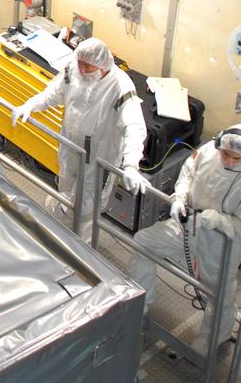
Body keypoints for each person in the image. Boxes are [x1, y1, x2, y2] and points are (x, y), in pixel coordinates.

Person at [128, 126, 241, 353]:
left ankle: (213, 339)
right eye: (226, 154)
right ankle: (139, 304)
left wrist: (214, 220)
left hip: (219, 242)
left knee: (219, 292)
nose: (230, 161)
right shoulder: (207, 153)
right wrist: (179, 198)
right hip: (187, 224)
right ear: (218, 146)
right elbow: (187, 174)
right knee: (144, 241)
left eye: (236, 158)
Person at [11, 38, 147, 239]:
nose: (82, 70)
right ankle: (62, 238)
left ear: (103, 66)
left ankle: (81, 252)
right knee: (65, 190)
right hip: (70, 147)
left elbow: (134, 126)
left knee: (84, 211)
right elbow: (53, 94)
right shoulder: (73, 68)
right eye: (80, 64)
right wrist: (30, 105)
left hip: (98, 160)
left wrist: (131, 165)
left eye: (88, 66)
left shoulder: (120, 87)